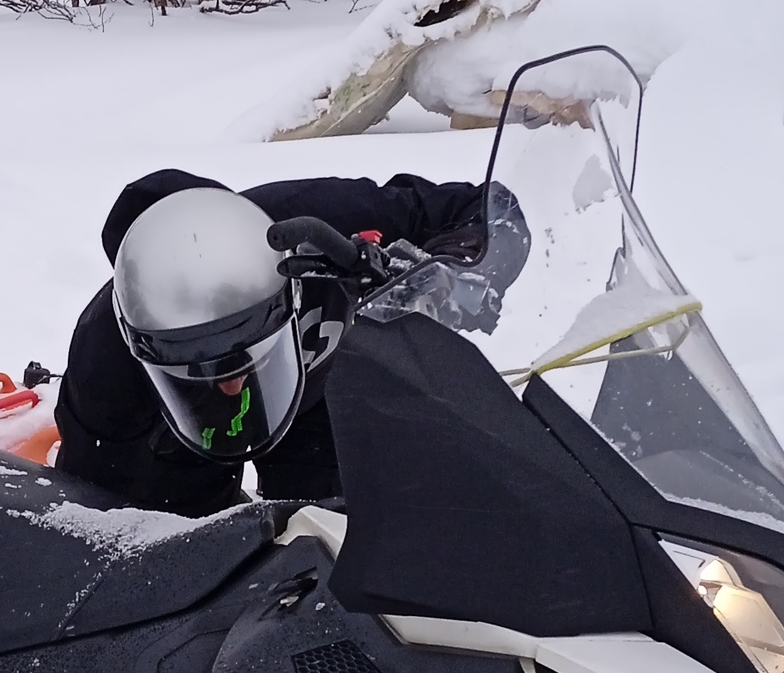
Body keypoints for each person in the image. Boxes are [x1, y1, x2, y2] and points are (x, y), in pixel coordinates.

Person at [53, 165, 515, 516]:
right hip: (192, 439)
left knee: (338, 537)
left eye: (247, 353)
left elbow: (489, 211)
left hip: (317, 401)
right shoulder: (104, 367)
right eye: (201, 369)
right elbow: (102, 520)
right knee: (194, 557)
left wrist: (443, 272)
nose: (232, 384)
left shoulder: (320, 220)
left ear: (288, 285)